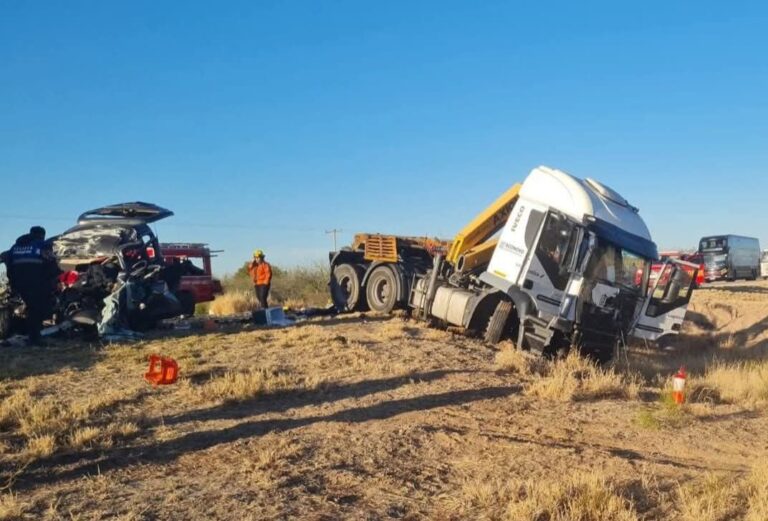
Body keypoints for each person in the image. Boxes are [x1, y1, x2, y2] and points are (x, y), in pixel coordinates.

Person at [4, 226, 59, 345]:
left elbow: (9, 265)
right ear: (42, 235)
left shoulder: (15, 247)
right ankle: (35, 338)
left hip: (19, 284)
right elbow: (51, 262)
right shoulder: (42, 245)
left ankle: (27, 334)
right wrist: (55, 277)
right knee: (37, 309)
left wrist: (13, 283)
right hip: (36, 283)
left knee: (29, 308)